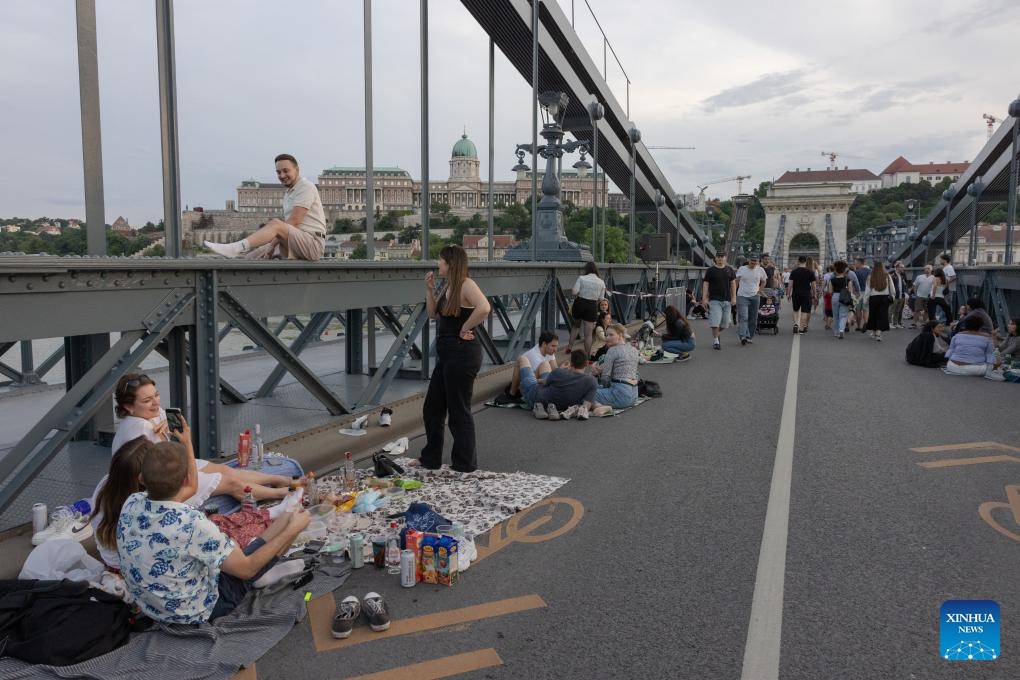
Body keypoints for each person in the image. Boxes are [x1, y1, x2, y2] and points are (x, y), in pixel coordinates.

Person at [117, 440, 311, 623]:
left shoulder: (131, 502)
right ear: (187, 479)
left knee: (231, 546)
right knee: (247, 556)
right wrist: (292, 531)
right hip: (199, 611)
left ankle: (286, 515)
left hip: (153, 609)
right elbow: (246, 569)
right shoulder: (193, 523)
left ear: (142, 479)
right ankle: (280, 539)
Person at [112, 374, 293, 504]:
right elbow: (157, 470)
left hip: (169, 465)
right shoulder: (139, 428)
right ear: (128, 407)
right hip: (155, 484)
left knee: (223, 469)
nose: (156, 403)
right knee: (230, 482)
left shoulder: (150, 413)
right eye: (147, 400)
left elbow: (161, 419)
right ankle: (281, 493)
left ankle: (277, 479)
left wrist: (167, 423)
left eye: (156, 395)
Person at [420, 244, 490, 473]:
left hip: (462, 353)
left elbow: (484, 308)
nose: (437, 263)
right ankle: (430, 458)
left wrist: (464, 328)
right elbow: (433, 315)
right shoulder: (447, 286)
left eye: (440, 260)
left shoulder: (467, 285)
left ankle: (464, 463)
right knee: (432, 407)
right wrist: (429, 290)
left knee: (459, 410)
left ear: (450, 263)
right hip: (447, 354)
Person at [204, 154, 326, 260]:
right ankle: (235, 256)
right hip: (296, 240)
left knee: (275, 224)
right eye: (278, 172)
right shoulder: (289, 192)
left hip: (313, 243)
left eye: (286, 171)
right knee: (253, 256)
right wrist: (268, 246)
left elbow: (294, 221)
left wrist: (272, 245)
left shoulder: (306, 186)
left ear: (297, 170)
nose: (282, 175)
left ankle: (235, 248)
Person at [519, 350, 600, 421]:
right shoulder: (591, 381)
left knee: (523, 359)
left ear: (571, 363)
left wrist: (537, 380)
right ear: (586, 363)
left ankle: (511, 393)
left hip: (536, 395)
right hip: (558, 406)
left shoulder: (559, 372)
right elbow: (586, 406)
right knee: (544, 363)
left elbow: (544, 382)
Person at [495, 331, 559, 405]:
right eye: (553, 346)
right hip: (528, 387)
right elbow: (533, 381)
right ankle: (513, 393)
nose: (555, 349)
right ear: (544, 344)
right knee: (522, 359)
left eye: (556, 346)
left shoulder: (547, 351)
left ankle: (512, 393)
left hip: (540, 386)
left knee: (545, 363)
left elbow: (555, 370)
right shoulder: (535, 357)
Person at [590, 323, 640, 408]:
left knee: (586, 392)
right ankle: (599, 406)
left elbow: (605, 379)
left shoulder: (612, 350)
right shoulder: (633, 349)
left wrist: (598, 375)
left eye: (611, 335)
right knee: (595, 389)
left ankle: (602, 408)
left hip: (621, 394)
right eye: (606, 335)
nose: (607, 338)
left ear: (620, 335)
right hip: (634, 395)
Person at [567, 262, 607, 359]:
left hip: (580, 303)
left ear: (587, 269)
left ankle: (570, 347)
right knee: (588, 334)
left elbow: (574, 291)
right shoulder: (601, 282)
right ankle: (587, 355)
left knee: (575, 327)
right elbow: (601, 299)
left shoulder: (581, 278)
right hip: (592, 306)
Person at [943, 314, 1002, 379]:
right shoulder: (987, 338)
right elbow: (989, 355)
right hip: (975, 369)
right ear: (981, 326)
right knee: (997, 360)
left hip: (952, 366)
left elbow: (950, 351)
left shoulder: (957, 335)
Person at [701, 253, 736, 350]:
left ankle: (716, 333)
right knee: (715, 322)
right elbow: (706, 284)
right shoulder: (710, 270)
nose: (720, 258)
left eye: (722, 257)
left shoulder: (729, 270)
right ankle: (716, 341)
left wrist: (734, 298)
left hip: (727, 300)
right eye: (719, 257)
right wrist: (704, 298)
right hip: (714, 300)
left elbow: (733, 284)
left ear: (725, 258)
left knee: (725, 323)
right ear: (715, 258)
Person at [734, 254, 767, 345]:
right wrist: (733, 294)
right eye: (752, 261)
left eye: (755, 261)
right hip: (742, 296)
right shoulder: (742, 269)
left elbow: (764, 281)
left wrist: (759, 291)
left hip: (755, 296)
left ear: (758, 262)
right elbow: (736, 281)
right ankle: (743, 336)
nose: (753, 263)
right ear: (748, 260)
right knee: (743, 317)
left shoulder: (760, 270)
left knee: (753, 318)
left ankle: (749, 336)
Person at [826, 260, 857, 339]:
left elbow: (829, 292)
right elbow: (850, 291)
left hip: (835, 297)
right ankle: (841, 330)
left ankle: (836, 332)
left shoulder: (832, 280)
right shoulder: (848, 280)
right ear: (844, 269)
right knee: (843, 315)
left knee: (835, 315)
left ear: (835, 269)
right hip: (845, 297)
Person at [786, 255, 816, 334]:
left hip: (796, 293)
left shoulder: (794, 271)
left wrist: (788, 294)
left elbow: (790, 284)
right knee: (804, 311)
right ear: (805, 261)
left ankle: (796, 324)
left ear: (798, 261)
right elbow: (813, 285)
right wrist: (815, 294)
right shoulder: (810, 272)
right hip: (806, 294)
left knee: (795, 310)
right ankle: (801, 329)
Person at [865, 261, 892, 341]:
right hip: (884, 297)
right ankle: (878, 333)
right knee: (882, 315)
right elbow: (892, 287)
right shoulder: (887, 276)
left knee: (873, 315)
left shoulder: (870, 276)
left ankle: (873, 332)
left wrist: (865, 300)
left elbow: (868, 290)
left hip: (873, 298)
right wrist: (893, 296)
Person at [852, 257, 871, 331]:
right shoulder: (869, 271)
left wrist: (854, 293)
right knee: (866, 309)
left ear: (859, 263)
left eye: (855, 262)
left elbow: (853, 283)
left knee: (858, 309)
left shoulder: (856, 272)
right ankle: (866, 323)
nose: (855, 264)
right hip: (867, 292)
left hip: (858, 293)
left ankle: (859, 326)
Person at [889, 261, 908, 329]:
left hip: (901, 295)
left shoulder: (902, 276)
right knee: (891, 309)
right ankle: (889, 323)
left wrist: (905, 293)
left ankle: (895, 322)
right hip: (895, 295)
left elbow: (906, 284)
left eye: (903, 267)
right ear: (897, 268)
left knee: (898, 310)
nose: (903, 268)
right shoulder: (892, 275)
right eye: (901, 267)